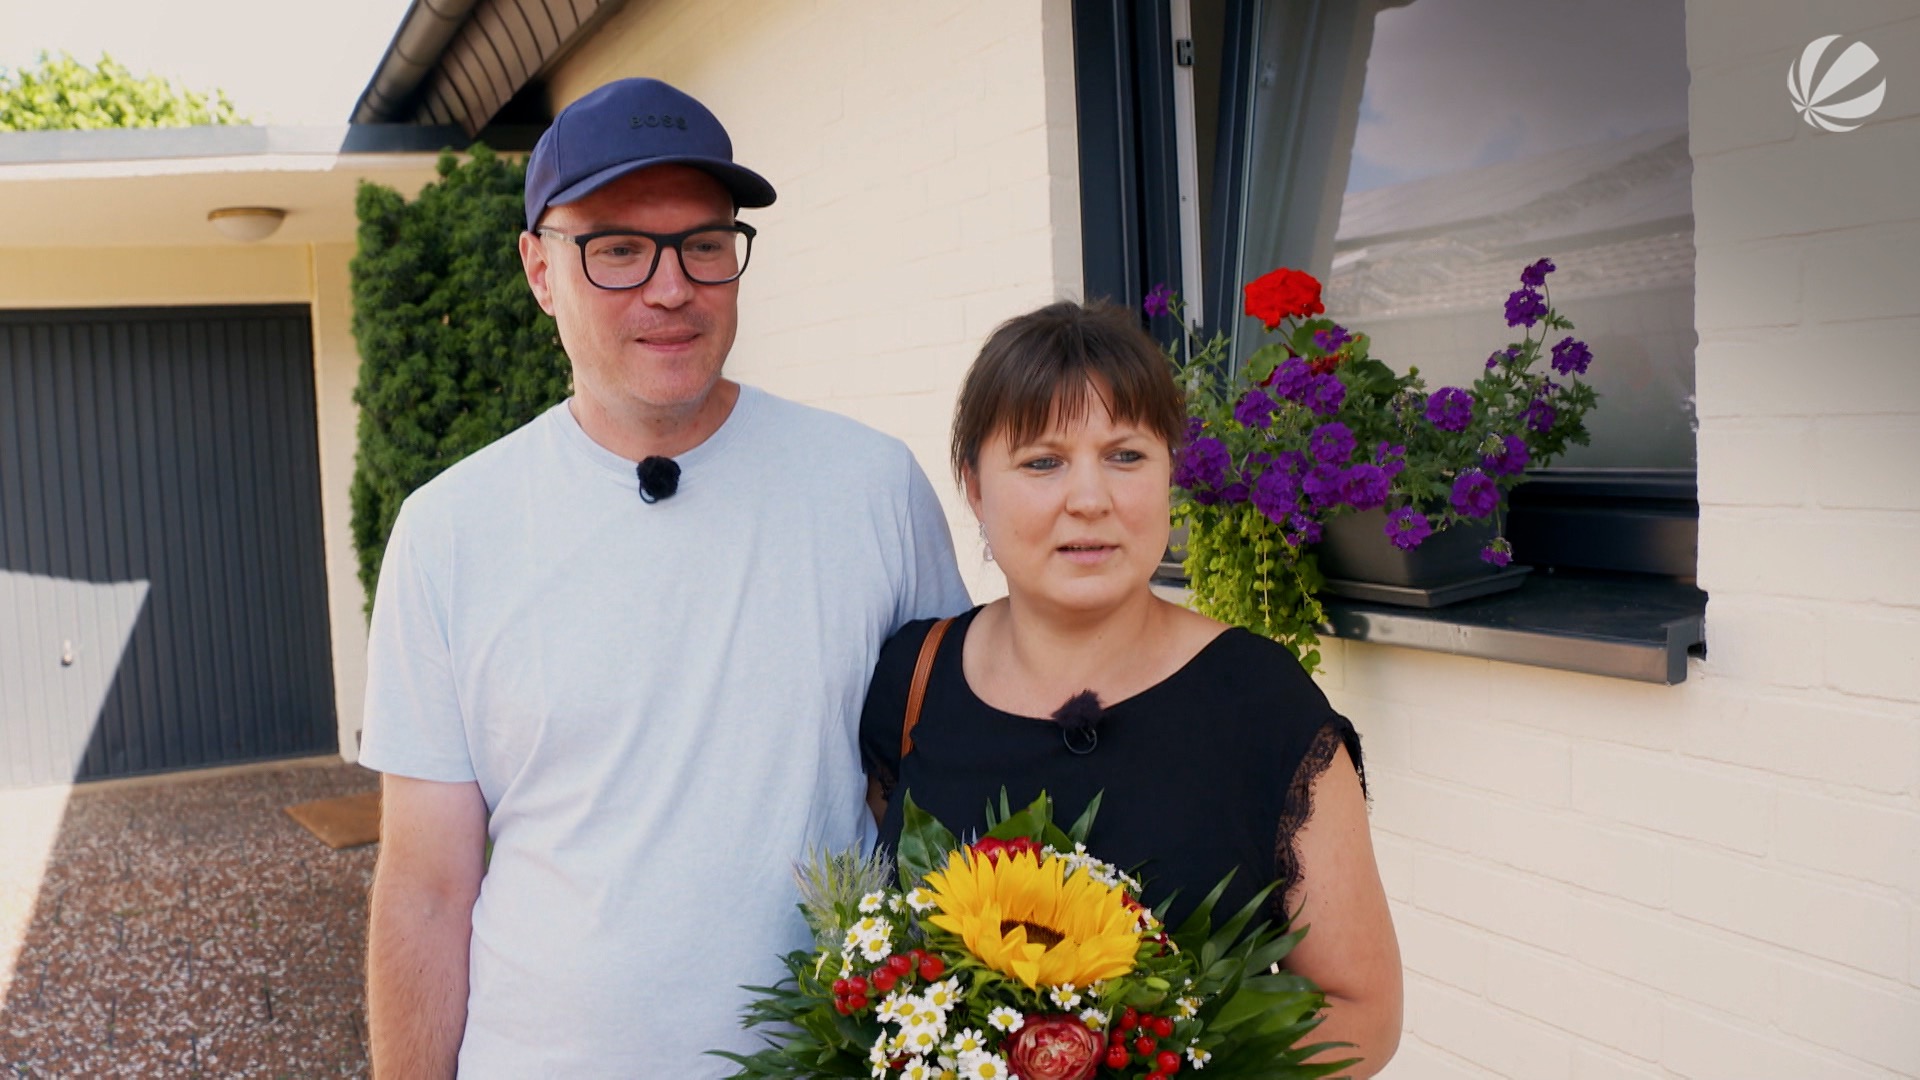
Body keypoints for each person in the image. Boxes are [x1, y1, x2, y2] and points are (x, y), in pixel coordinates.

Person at [359, 77, 970, 1078]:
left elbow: (945, 788)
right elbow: (426, 885)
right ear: (539, 269)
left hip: (823, 1062)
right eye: (617, 249)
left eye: (703, 242)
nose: (671, 286)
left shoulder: (871, 488)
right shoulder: (450, 534)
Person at [859, 301, 1402, 1074]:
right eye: (1042, 461)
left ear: (1170, 472)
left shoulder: (1259, 700)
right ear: (975, 488)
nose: (1090, 499)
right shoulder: (913, 680)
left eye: (1125, 455)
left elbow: (1362, 1009)